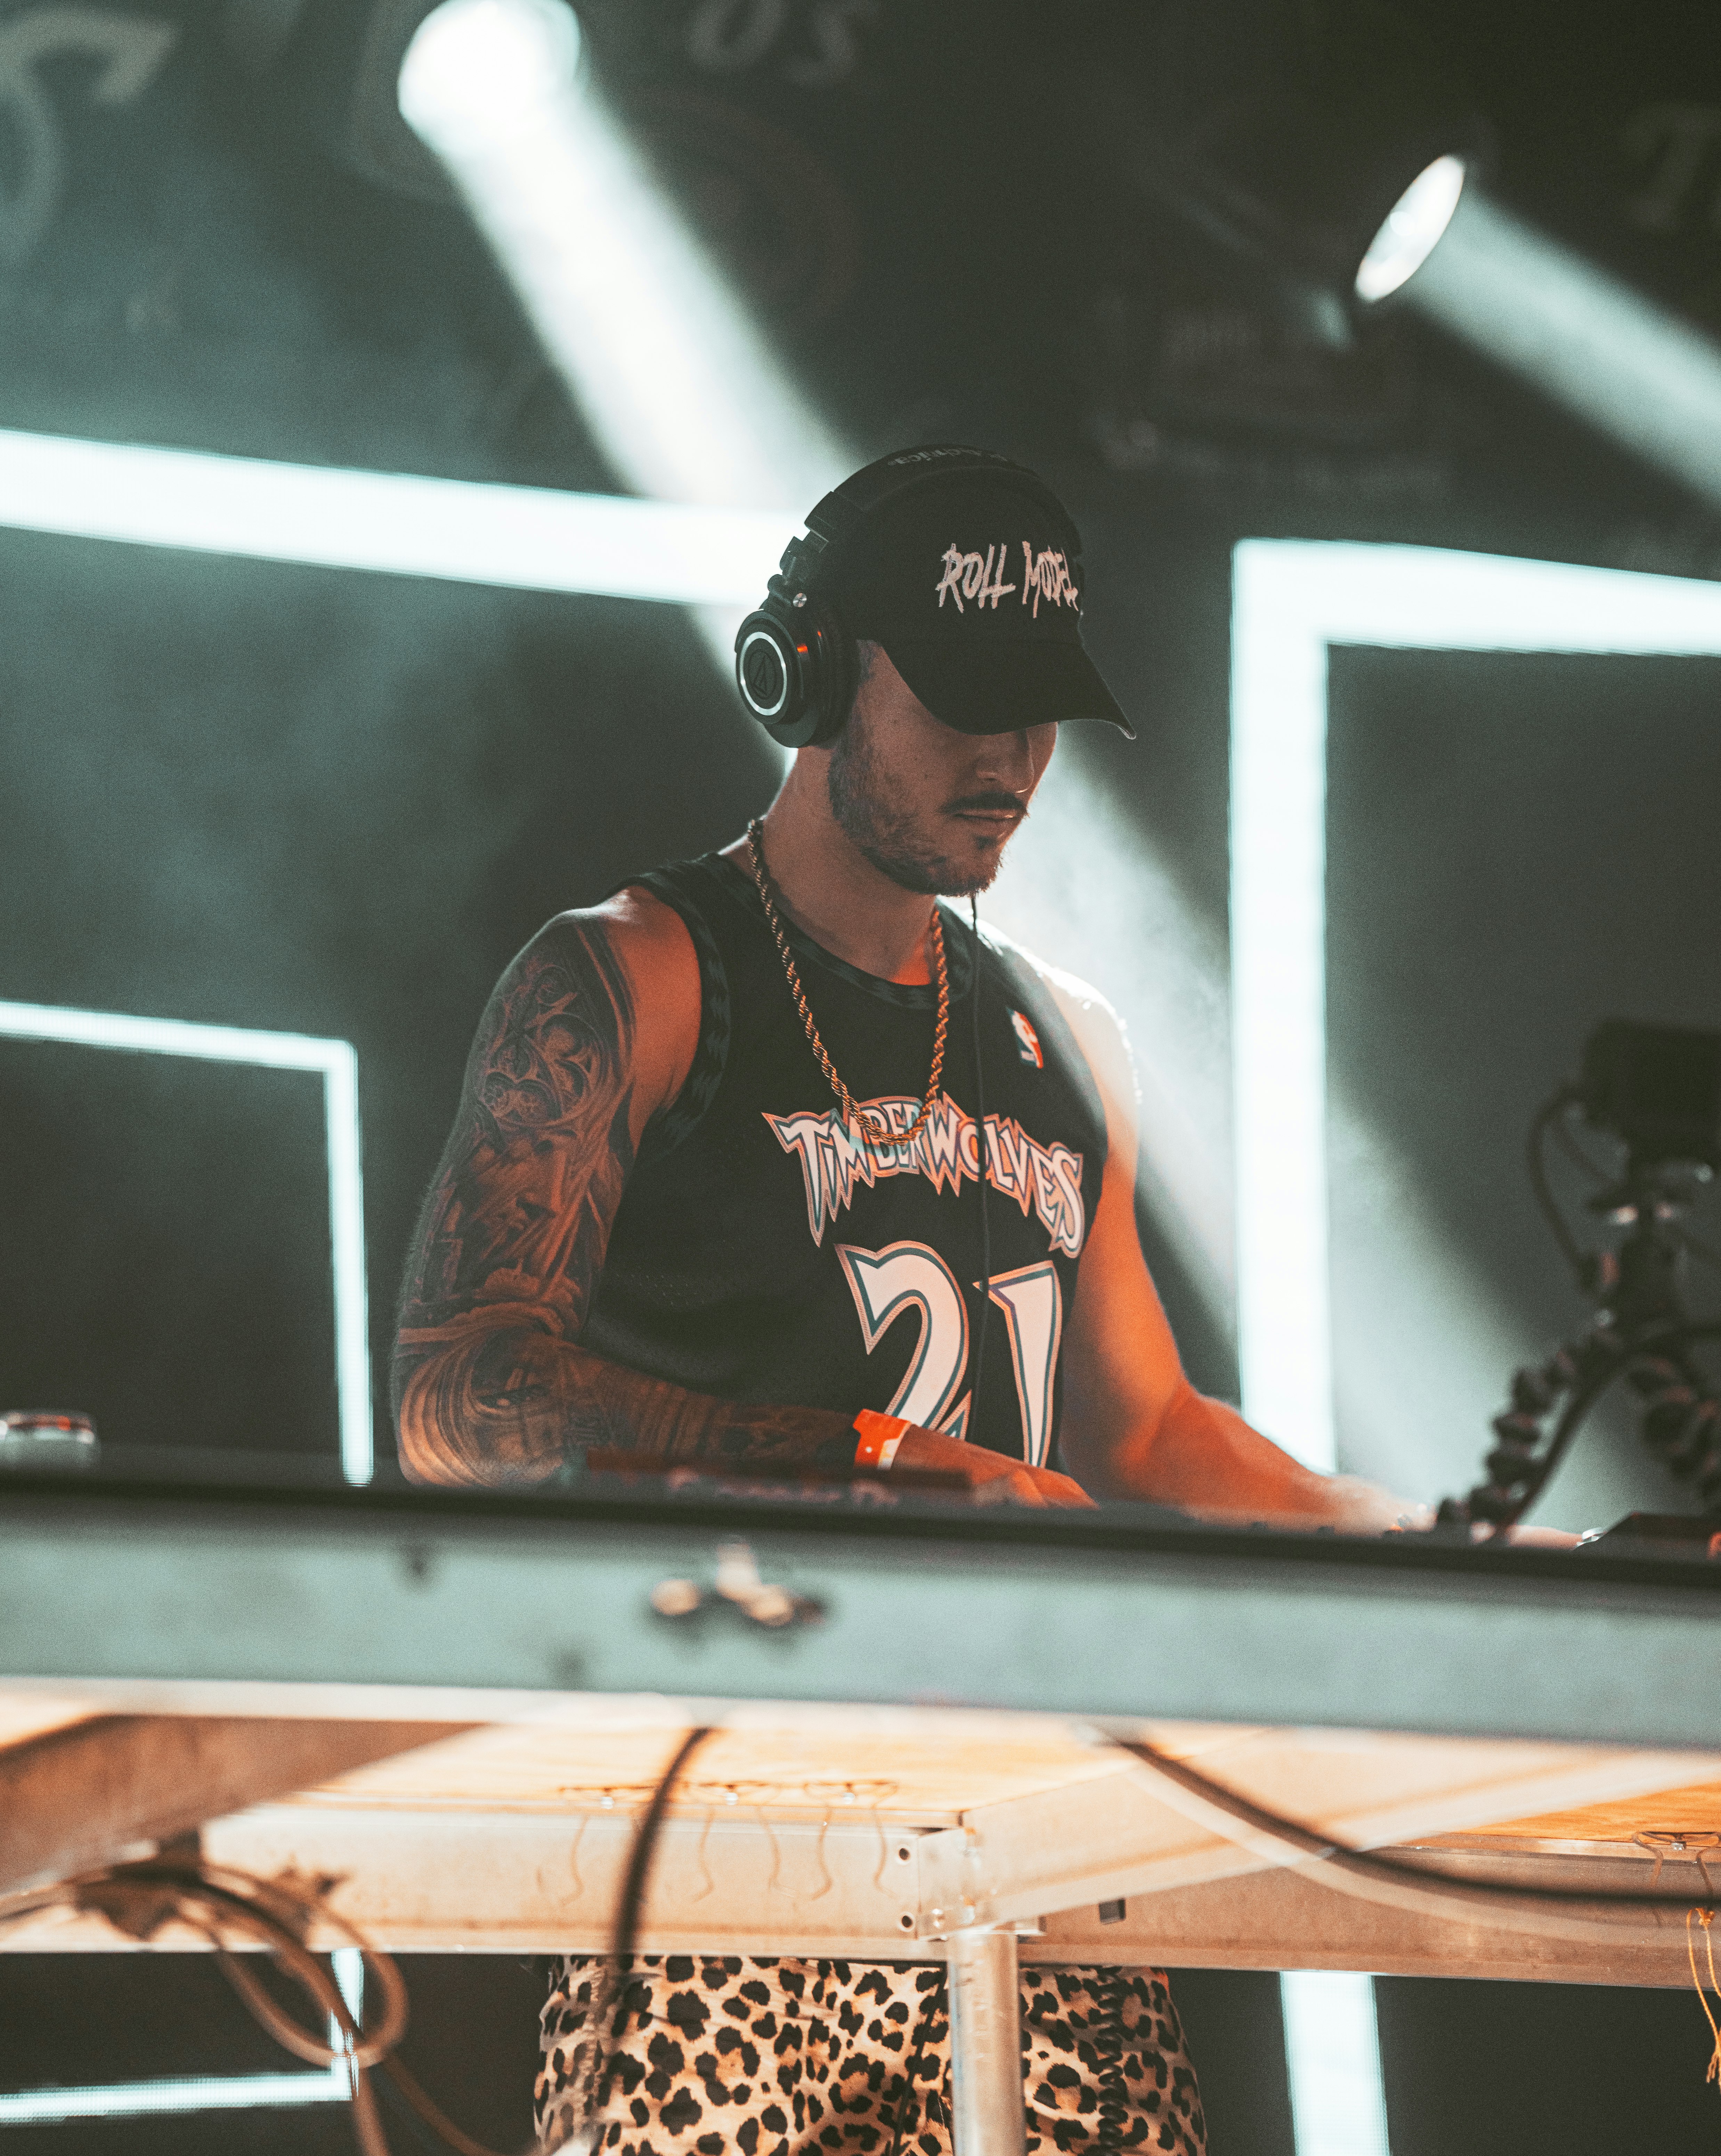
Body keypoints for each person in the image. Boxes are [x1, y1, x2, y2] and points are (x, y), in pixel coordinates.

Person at [393, 445, 1422, 2156]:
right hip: (717, 1864)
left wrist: (1462, 1553)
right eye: (963, 704)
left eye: (1040, 715)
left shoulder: (1063, 1038)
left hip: (1040, 1850)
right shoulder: (636, 971)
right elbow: (456, 1400)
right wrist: (861, 1462)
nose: (1011, 762)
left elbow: (1148, 1428)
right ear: (807, 667)